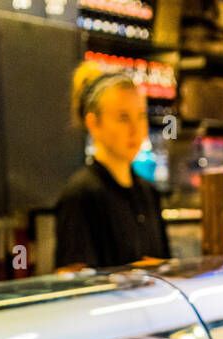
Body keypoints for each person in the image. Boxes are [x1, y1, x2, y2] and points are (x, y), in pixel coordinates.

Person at [55, 63, 170, 271]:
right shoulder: (80, 193)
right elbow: (70, 279)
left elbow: (164, 266)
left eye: (141, 116)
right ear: (94, 124)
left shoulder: (148, 192)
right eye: (123, 118)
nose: (136, 129)